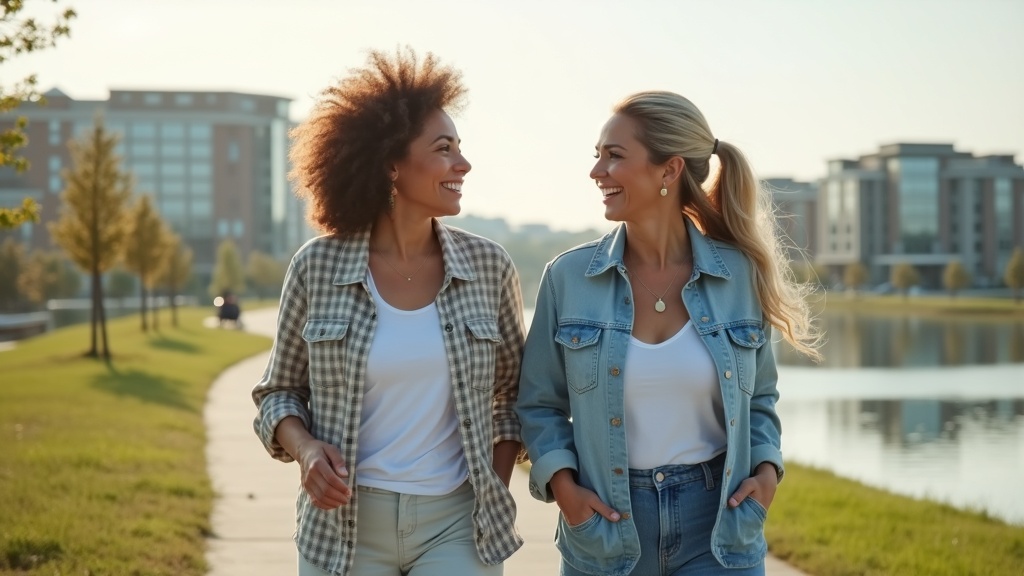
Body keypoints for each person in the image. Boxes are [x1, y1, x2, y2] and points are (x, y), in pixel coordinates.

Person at [516, 91, 821, 576]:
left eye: (614, 156)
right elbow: (538, 404)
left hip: (718, 527)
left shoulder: (739, 276)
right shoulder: (568, 279)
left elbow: (760, 396)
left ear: (669, 170)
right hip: (605, 527)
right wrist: (566, 490)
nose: (597, 172)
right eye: (597, 156)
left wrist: (766, 473)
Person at [252, 48, 526, 576]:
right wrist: (306, 450)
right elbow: (278, 392)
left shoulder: (489, 266)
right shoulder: (317, 267)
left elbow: (513, 394)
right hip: (343, 530)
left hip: (457, 522)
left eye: (460, 148)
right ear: (391, 165)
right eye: (443, 149)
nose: (462, 164)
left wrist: (491, 487)